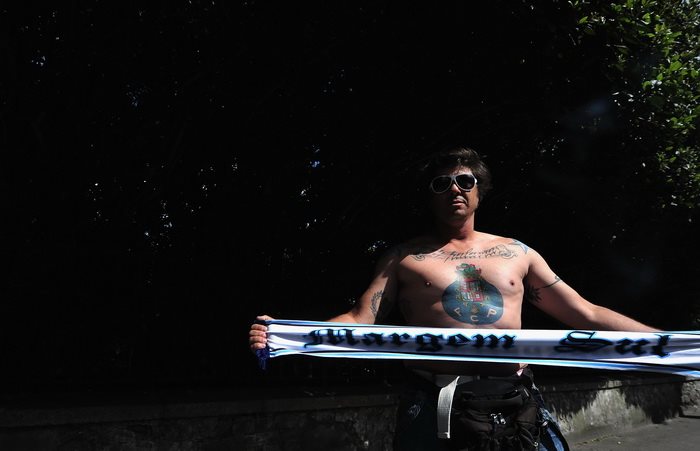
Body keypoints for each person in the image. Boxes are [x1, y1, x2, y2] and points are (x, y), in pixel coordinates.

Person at [248, 145, 659, 450]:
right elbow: (360, 320)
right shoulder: (404, 258)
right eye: (441, 183)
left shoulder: (517, 253)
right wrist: (284, 334)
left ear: (480, 192)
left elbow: (586, 313)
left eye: (465, 181)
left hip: (514, 400)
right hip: (434, 401)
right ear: (430, 195)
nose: (455, 190)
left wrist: (663, 342)